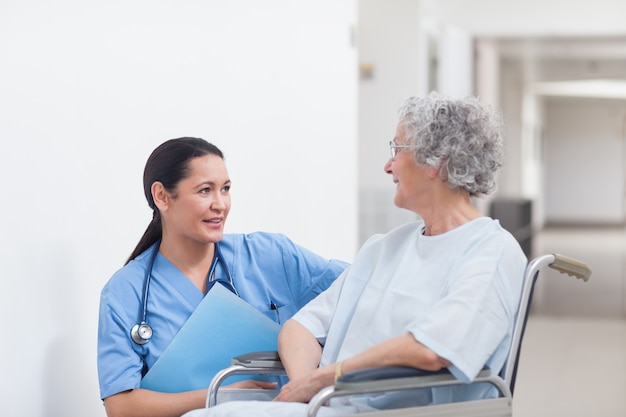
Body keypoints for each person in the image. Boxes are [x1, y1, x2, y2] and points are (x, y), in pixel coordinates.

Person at [182, 92, 528, 417]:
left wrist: (324, 378)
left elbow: (431, 349)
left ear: (436, 161)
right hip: (331, 407)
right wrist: (307, 388)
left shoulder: (491, 252)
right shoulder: (384, 248)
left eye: (397, 149)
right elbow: (300, 327)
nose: (388, 166)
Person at [97, 137, 349, 417]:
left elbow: (362, 288)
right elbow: (121, 407)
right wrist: (219, 396)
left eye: (225, 189)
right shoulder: (125, 291)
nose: (221, 204)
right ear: (162, 196)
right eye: (205, 191)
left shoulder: (270, 255)